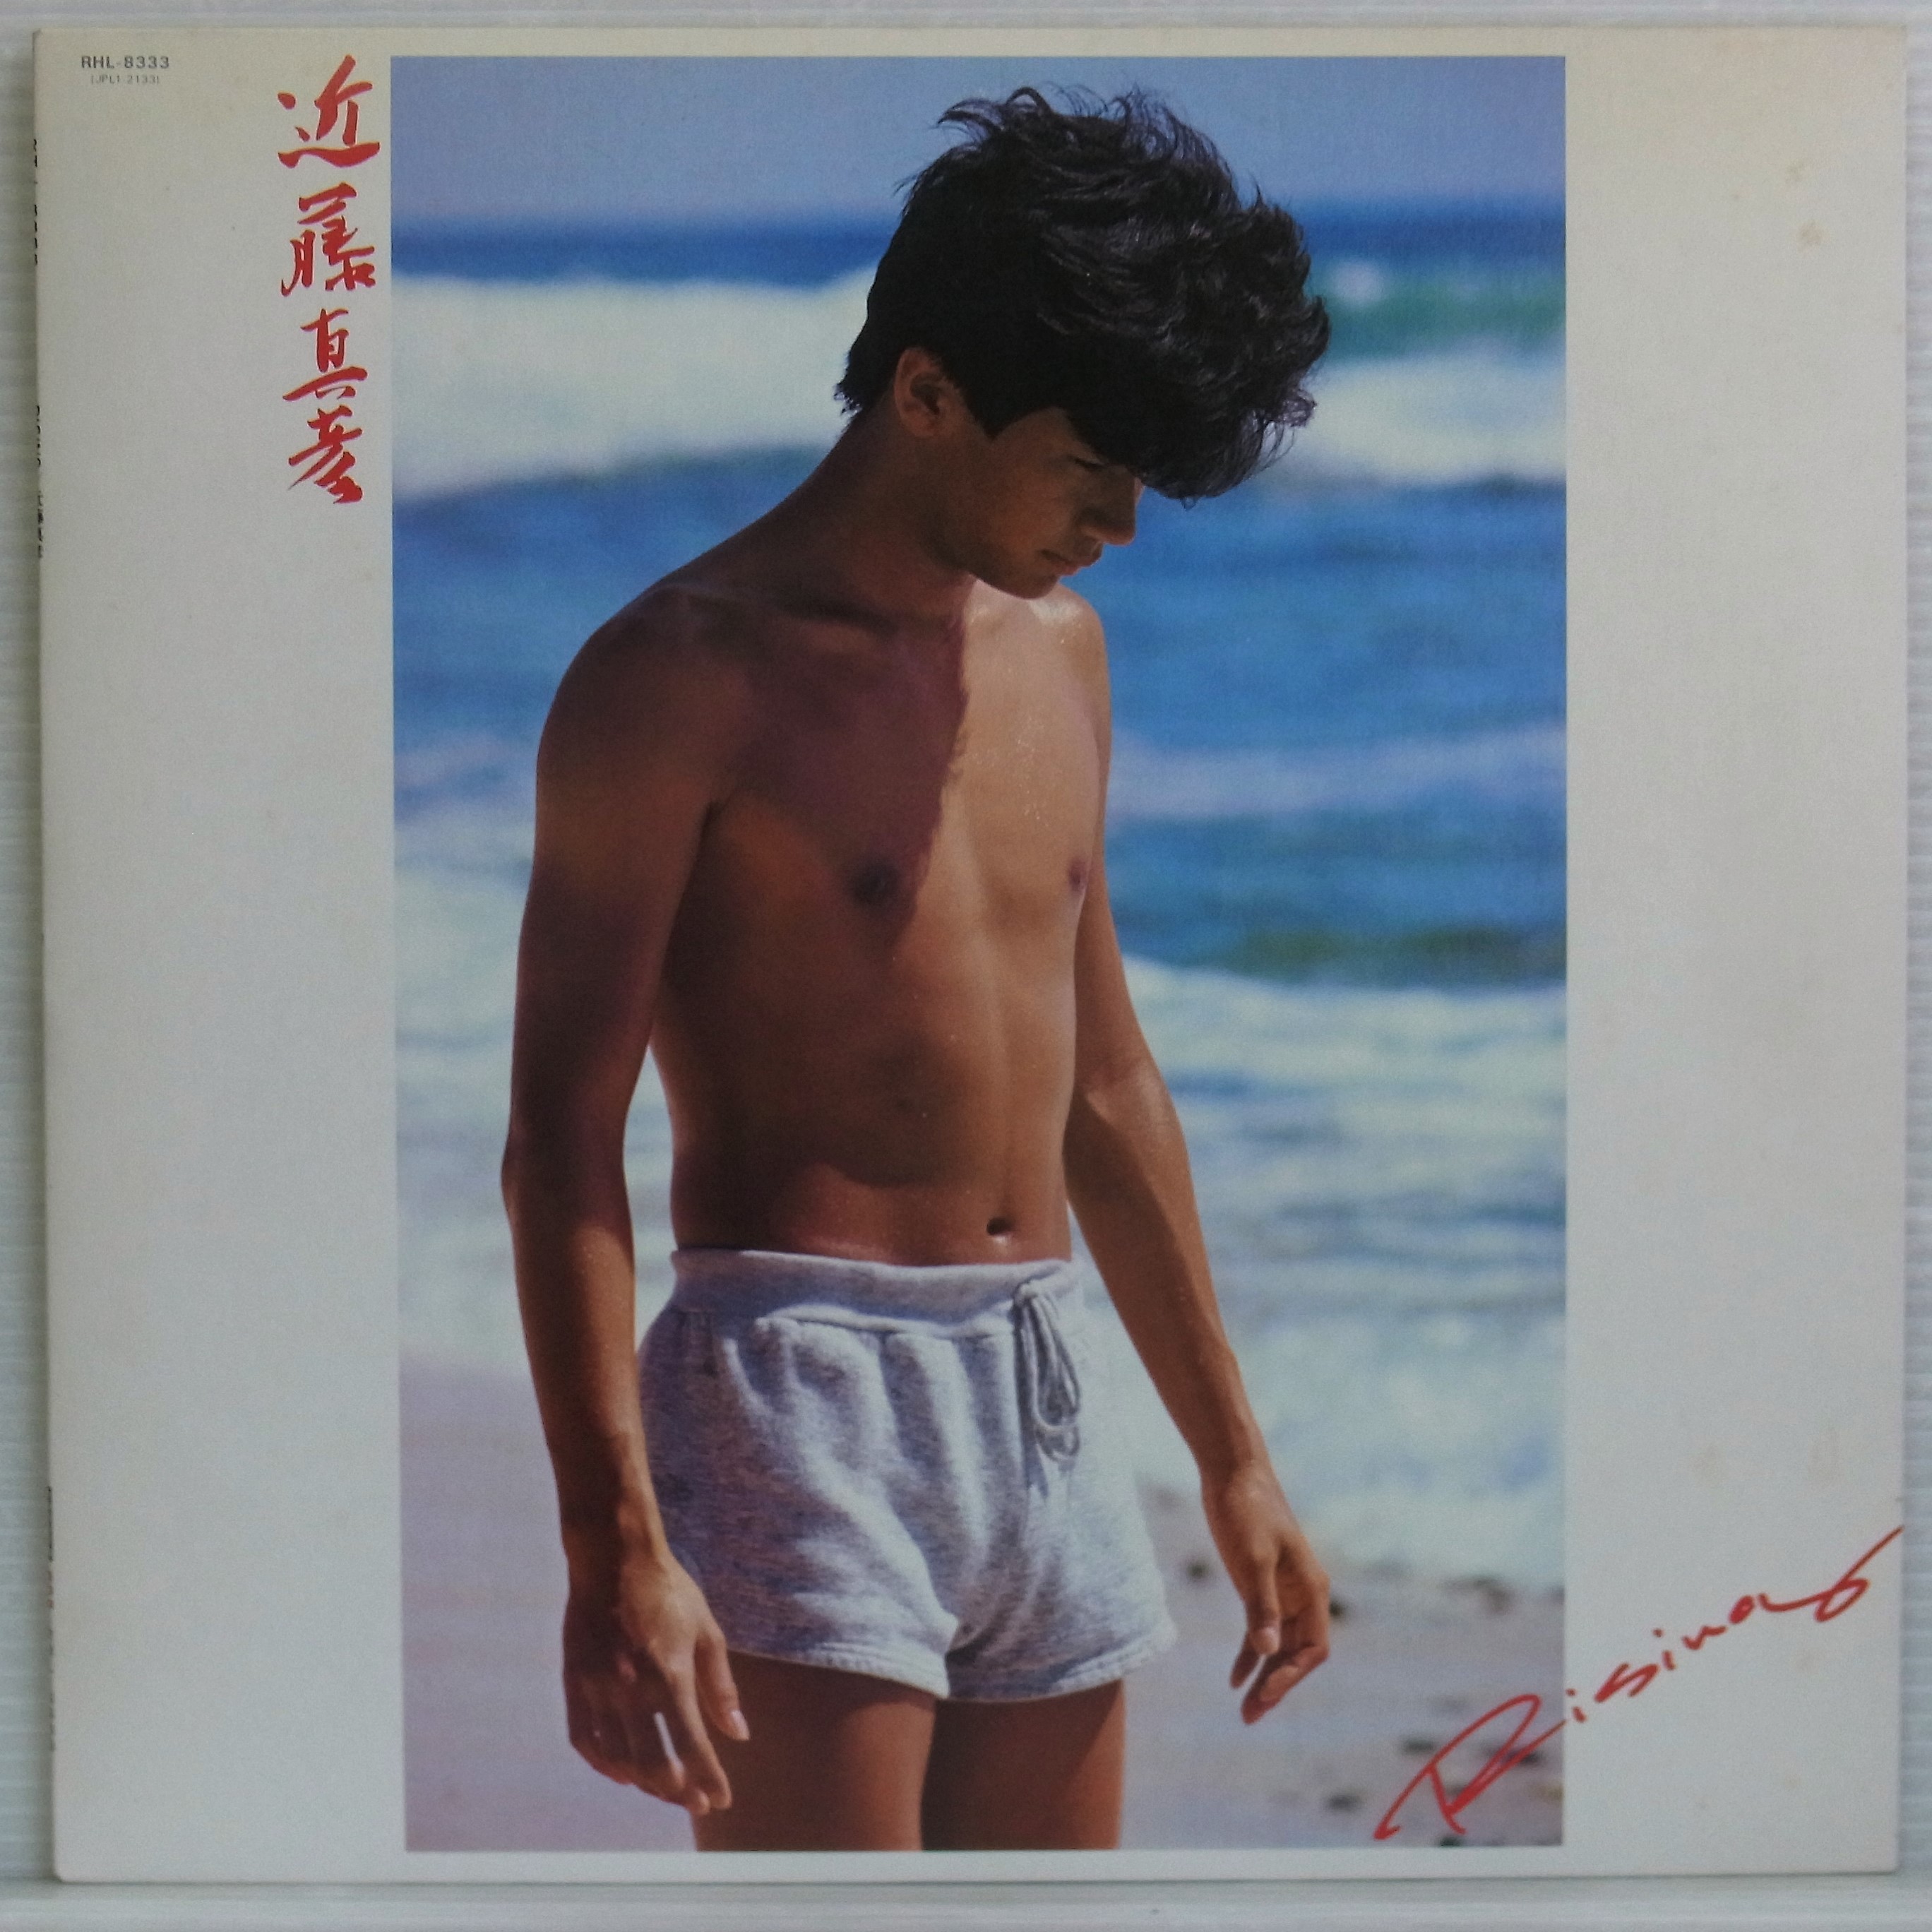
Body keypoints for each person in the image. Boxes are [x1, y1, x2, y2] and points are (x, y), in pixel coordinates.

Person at [502, 87, 1332, 1853]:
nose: (1120, 523)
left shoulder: (1065, 652)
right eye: (1090, 468)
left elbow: (1104, 1079)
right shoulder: (676, 677)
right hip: (797, 1402)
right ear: (930, 390)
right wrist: (614, 1544)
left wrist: (1234, 1455)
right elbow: (560, 1138)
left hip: (1042, 1394)